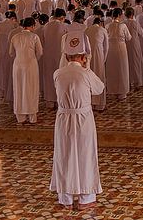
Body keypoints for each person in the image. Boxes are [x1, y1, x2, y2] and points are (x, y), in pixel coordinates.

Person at [50, 33, 106, 210]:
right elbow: (99, 89)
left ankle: (65, 198)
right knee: (85, 154)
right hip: (83, 119)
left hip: (63, 118)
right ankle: (85, 197)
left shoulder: (58, 73)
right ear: (83, 57)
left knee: (64, 155)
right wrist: (87, 68)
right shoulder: (85, 73)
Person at [10, 17, 43, 124]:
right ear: (33, 25)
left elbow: (11, 53)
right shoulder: (34, 36)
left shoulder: (15, 37)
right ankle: (32, 116)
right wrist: (33, 59)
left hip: (18, 65)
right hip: (31, 64)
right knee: (31, 88)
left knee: (19, 88)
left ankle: (20, 117)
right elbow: (40, 52)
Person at [42, 9, 70, 109]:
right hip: (60, 54)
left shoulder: (46, 26)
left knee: (49, 77)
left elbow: (43, 41)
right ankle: (60, 101)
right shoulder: (65, 26)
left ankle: (49, 101)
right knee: (60, 77)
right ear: (62, 17)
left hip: (48, 55)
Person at [105, 8, 131, 100]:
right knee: (122, 69)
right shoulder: (122, 25)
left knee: (112, 69)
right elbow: (128, 37)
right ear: (120, 15)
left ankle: (112, 90)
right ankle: (122, 91)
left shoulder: (107, 26)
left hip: (110, 49)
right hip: (121, 48)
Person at [84, 17, 108, 111]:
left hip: (88, 56)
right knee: (100, 77)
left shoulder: (87, 30)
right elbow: (106, 47)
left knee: (89, 78)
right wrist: (103, 59)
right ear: (101, 23)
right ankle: (100, 104)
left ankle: (91, 102)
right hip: (99, 55)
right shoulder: (102, 30)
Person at [0, 11, 19, 103]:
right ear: (13, 19)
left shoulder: (0, 24)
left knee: (0, 71)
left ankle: (1, 91)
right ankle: (8, 91)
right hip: (8, 51)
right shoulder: (12, 27)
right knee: (7, 71)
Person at [123, 7, 143, 89]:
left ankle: (128, 81)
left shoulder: (123, 23)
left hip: (126, 44)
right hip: (134, 43)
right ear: (132, 14)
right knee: (136, 62)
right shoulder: (135, 23)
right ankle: (137, 81)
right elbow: (141, 33)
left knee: (128, 62)